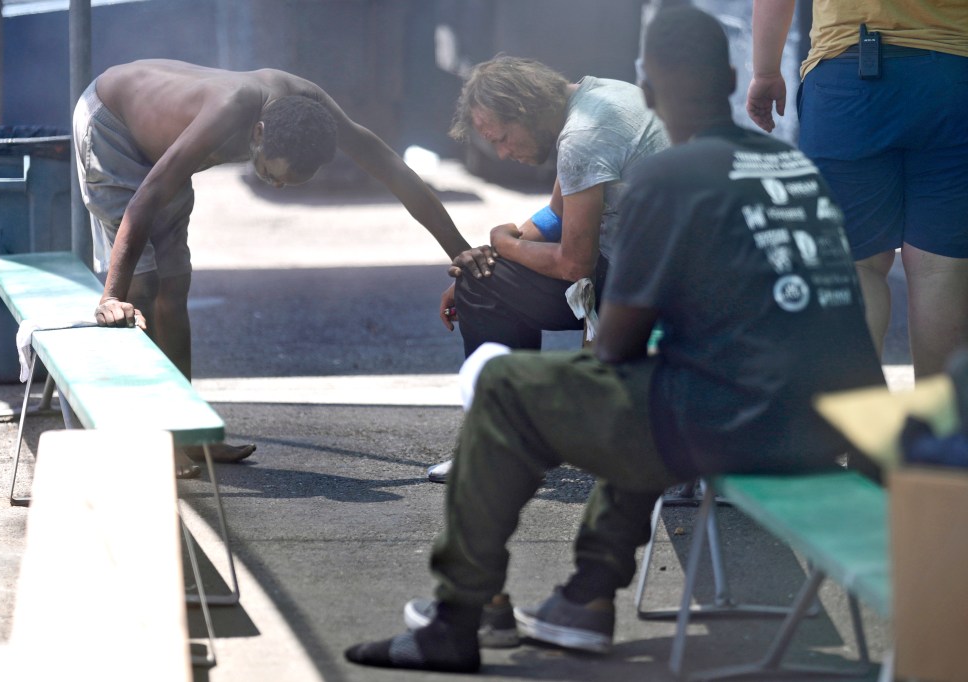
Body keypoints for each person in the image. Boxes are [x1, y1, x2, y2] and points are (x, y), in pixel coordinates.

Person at [344, 6, 886, 673]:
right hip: (826, 433)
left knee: (510, 386)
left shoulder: (665, 180)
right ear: (728, 79)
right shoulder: (794, 170)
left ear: (653, 93)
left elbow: (615, 347)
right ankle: (585, 599)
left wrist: (556, 412)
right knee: (654, 396)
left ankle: (461, 615)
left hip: (736, 429)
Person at [72, 59, 487, 475]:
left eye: (285, 183)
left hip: (164, 156)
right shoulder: (228, 110)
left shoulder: (312, 112)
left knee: (174, 288)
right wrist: (111, 295)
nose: (275, 185)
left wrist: (458, 249)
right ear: (259, 133)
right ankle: (152, 438)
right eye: (271, 173)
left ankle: (187, 432)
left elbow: (393, 170)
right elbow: (145, 198)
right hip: (115, 128)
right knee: (142, 291)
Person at [426, 54, 670, 482]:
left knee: (482, 288)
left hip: (655, 289)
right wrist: (490, 258)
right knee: (482, 279)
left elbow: (575, 263)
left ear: (524, 110)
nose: (503, 153)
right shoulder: (601, 94)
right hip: (659, 271)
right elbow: (558, 213)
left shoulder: (582, 137)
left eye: (502, 138)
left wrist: (500, 243)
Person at [746, 0, 968, 379]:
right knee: (939, 268)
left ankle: (855, 432)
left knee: (855, 266)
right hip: (953, 76)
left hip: (848, 79)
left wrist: (766, 71)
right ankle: (941, 432)